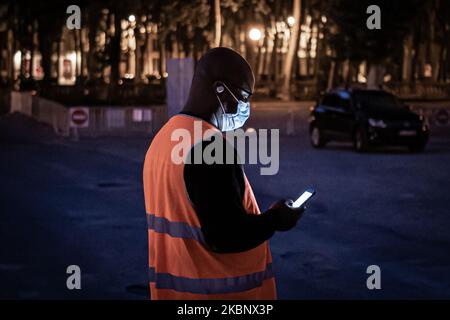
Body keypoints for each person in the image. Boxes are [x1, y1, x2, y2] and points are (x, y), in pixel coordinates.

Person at [143, 47, 304, 300]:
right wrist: (276, 219)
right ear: (219, 89)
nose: (245, 107)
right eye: (242, 96)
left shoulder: (164, 138)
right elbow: (226, 236)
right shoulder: (210, 148)